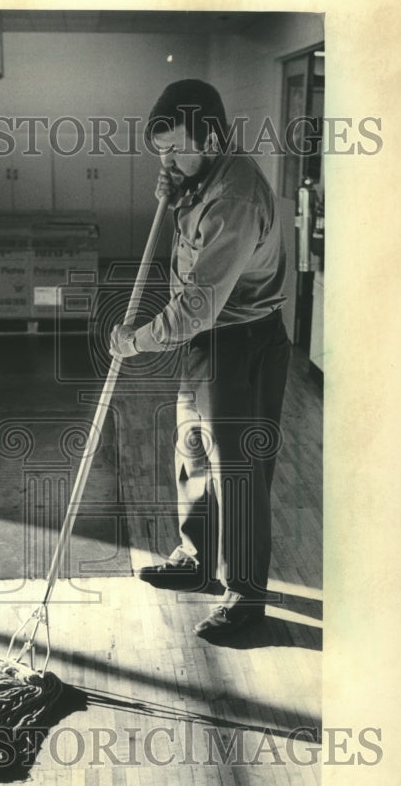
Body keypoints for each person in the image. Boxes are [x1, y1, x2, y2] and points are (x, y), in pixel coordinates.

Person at [109, 79, 291, 640]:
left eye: (177, 149)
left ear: (211, 136)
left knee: (236, 470)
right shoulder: (203, 174)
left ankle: (245, 600)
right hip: (209, 343)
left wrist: (137, 340)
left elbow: (198, 304)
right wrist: (177, 183)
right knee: (193, 450)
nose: (169, 159)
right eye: (160, 152)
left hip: (242, 342)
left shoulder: (235, 195)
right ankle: (196, 559)